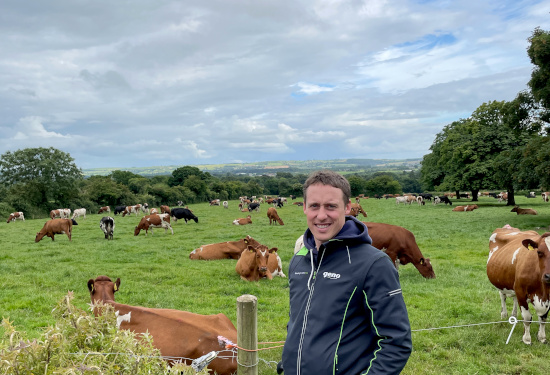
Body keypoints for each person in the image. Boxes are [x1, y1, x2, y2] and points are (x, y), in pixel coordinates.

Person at [281, 170, 412, 374]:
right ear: (304, 207)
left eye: (331, 206)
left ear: (348, 207)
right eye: (314, 205)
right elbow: (297, 320)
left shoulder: (374, 264)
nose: (321, 215)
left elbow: (396, 342)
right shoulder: (299, 260)